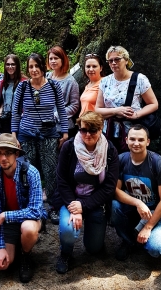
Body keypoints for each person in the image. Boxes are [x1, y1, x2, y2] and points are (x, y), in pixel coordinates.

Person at [51, 111, 119, 274]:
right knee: (69, 231)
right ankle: (65, 253)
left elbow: (109, 187)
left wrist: (84, 205)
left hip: (95, 202)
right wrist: (74, 207)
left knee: (94, 249)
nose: (87, 134)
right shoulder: (69, 147)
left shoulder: (110, 151)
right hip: (71, 200)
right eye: (83, 130)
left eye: (93, 130)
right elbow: (61, 180)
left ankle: (95, 237)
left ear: (101, 129)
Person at [111, 125, 161, 260]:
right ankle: (128, 241)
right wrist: (138, 203)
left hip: (158, 212)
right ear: (126, 140)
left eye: (141, 140)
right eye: (132, 139)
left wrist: (148, 227)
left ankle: (148, 237)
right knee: (114, 205)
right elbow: (115, 191)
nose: (136, 143)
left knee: (155, 248)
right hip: (134, 209)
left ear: (148, 142)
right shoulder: (121, 160)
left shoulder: (158, 163)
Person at [11, 53, 67, 221]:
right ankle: (31, 206)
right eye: (31, 66)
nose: (34, 69)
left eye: (37, 66)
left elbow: (61, 109)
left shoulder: (54, 86)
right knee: (28, 171)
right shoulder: (22, 87)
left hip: (48, 134)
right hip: (26, 134)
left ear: (43, 67)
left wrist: (64, 132)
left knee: (51, 172)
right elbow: (15, 112)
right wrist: (14, 135)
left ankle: (54, 207)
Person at [0, 133, 44, 283]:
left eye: (8, 153)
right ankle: (15, 244)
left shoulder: (31, 173)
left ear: (16, 154)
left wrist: (5, 215)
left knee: (28, 228)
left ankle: (26, 255)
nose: (3, 158)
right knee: (2, 264)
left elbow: (36, 210)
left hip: (28, 220)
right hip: (7, 224)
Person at [95, 45, 159, 151]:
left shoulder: (139, 79)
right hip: (109, 130)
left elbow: (153, 104)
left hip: (132, 132)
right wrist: (116, 111)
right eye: (110, 61)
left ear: (126, 60)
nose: (113, 63)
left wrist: (137, 114)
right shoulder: (105, 81)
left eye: (117, 59)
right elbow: (97, 109)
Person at [46, 46, 80, 137]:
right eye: (51, 59)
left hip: (62, 128)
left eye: (56, 58)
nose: (53, 61)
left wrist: (56, 115)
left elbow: (74, 106)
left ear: (63, 60)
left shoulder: (71, 81)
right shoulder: (46, 77)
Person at [0, 54, 27, 134]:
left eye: (13, 64)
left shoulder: (24, 82)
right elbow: (4, 100)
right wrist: (0, 110)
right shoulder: (3, 82)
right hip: (5, 118)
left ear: (17, 66)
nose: (10, 67)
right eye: (8, 64)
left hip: (19, 119)